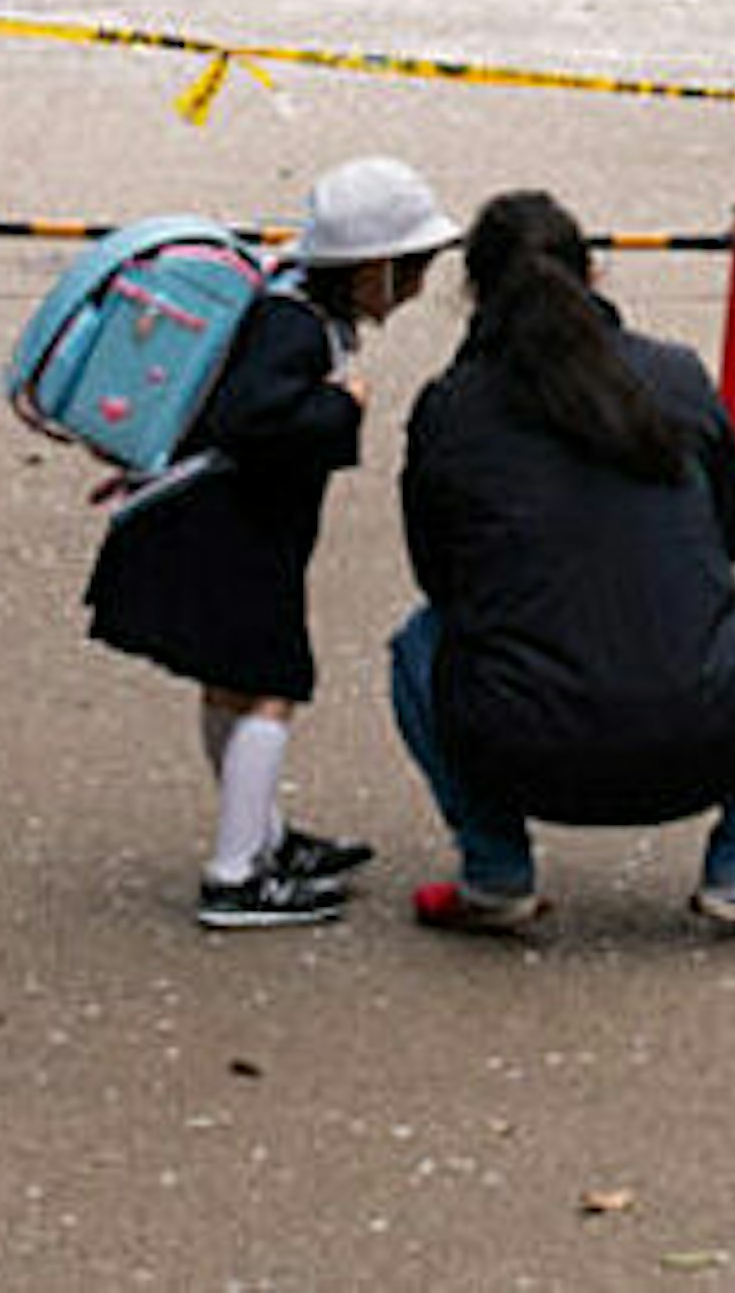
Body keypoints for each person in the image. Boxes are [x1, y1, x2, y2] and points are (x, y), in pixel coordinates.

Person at [389, 190, 735, 936]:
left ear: (473, 293)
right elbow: (725, 542)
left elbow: (438, 578)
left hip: (519, 744)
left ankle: (494, 872)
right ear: (595, 274)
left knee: (418, 645)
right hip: (707, 730)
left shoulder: (450, 406)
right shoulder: (674, 376)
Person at [86, 155, 459, 929]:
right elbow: (258, 423)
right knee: (270, 687)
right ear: (370, 271)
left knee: (234, 681)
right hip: (226, 528)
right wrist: (341, 405)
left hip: (203, 521)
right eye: (412, 269)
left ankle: (261, 836)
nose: (420, 285)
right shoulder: (293, 326)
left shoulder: (285, 301)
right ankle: (234, 876)